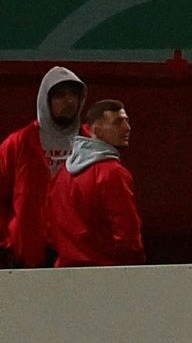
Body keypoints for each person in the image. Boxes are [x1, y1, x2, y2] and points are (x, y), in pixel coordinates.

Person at [0, 65, 88, 266]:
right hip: (29, 255)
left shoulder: (91, 143)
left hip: (79, 254)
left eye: (74, 95)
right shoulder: (18, 144)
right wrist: (9, 240)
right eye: (60, 96)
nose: (69, 102)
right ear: (45, 101)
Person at [54, 97, 147, 266]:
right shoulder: (113, 173)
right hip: (104, 274)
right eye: (118, 122)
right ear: (96, 129)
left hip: (65, 273)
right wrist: (135, 270)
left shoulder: (63, 174)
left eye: (126, 121)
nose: (127, 128)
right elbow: (127, 233)